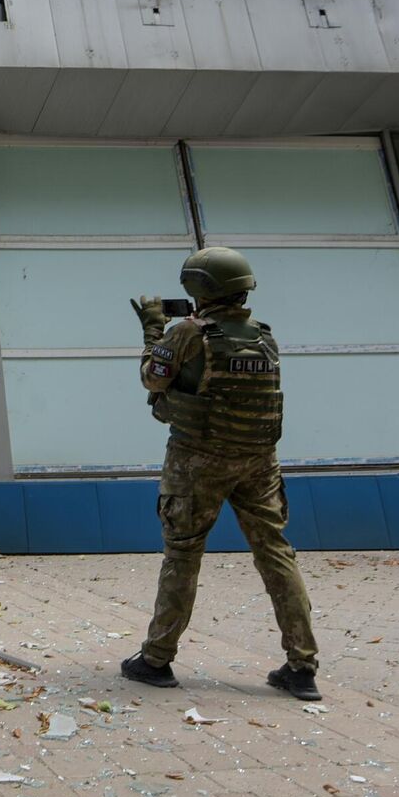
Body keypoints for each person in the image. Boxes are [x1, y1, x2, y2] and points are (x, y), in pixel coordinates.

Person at [121, 247, 322, 701]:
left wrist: (154, 328)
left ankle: (156, 658)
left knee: (183, 553)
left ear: (198, 289)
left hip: (199, 460)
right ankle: (302, 666)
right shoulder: (264, 336)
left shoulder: (188, 333)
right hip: (258, 461)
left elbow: (153, 378)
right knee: (276, 553)